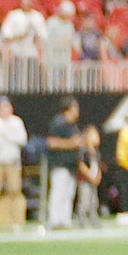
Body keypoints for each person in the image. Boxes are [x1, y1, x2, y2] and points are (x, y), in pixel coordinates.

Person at [41, 98, 91, 231]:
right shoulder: (58, 123)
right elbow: (51, 142)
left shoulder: (73, 125)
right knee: (58, 192)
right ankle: (54, 220)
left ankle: (65, 220)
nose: (77, 112)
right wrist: (71, 143)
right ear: (67, 109)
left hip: (71, 165)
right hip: (60, 164)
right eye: (75, 109)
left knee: (69, 193)